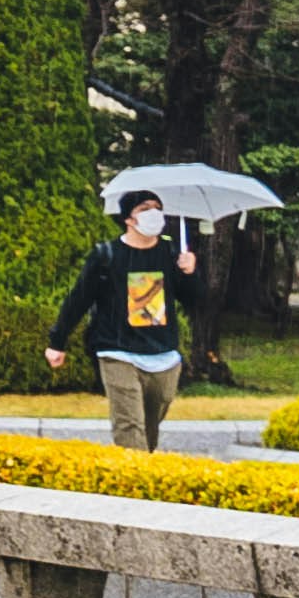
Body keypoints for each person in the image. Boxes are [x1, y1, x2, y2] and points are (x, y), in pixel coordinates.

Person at [46, 188, 199, 452]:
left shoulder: (172, 253)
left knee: (149, 429)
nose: (154, 214)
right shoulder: (107, 255)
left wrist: (189, 272)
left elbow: (195, 300)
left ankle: (140, 474)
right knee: (129, 426)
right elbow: (78, 299)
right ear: (129, 219)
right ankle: (135, 486)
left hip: (163, 355)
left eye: (158, 208)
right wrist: (57, 341)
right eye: (145, 209)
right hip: (117, 351)